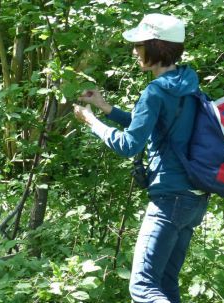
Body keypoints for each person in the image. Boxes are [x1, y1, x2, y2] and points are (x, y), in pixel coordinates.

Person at [73, 14, 209, 303]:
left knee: (143, 288)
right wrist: (104, 106)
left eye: (140, 44)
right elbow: (152, 125)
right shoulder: (188, 83)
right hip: (194, 198)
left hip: (170, 197)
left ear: (157, 47)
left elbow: (130, 145)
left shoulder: (155, 91)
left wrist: (92, 122)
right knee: (166, 284)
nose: (135, 51)